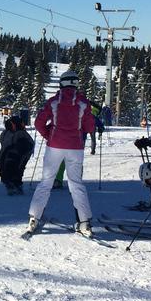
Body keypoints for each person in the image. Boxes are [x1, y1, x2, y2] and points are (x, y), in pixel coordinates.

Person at [25, 69, 96, 237]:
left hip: (54, 146)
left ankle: (34, 217)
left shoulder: (54, 102)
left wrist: (48, 134)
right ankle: (84, 222)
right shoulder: (83, 103)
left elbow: (38, 122)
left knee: (46, 182)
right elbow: (90, 126)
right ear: (76, 84)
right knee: (76, 184)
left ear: (62, 83)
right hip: (75, 148)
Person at [0, 114, 35, 195]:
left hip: (5, 156)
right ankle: (14, 184)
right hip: (15, 156)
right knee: (17, 167)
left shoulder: (5, 133)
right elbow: (29, 145)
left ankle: (11, 183)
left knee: (9, 167)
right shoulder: (21, 134)